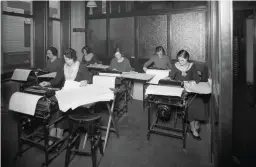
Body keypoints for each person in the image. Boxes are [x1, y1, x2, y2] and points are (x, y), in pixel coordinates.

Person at [39, 48, 92, 145]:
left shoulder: (81, 66)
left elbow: (89, 78)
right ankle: (53, 136)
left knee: (60, 109)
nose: (66, 61)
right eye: (65, 59)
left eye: (68, 59)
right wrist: (48, 83)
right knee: (51, 105)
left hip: (76, 93)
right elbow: (57, 79)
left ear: (74, 58)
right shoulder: (64, 66)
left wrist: (86, 81)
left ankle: (57, 137)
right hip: (66, 92)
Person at [168, 49, 204, 141]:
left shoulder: (192, 66)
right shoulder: (175, 66)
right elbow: (171, 78)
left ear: (187, 58)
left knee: (200, 102)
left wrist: (192, 82)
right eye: (179, 60)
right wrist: (170, 79)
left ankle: (196, 122)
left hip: (190, 90)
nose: (180, 62)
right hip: (180, 91)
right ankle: (192, 128)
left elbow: (197, 78)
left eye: (182, 60)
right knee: (190, 106)